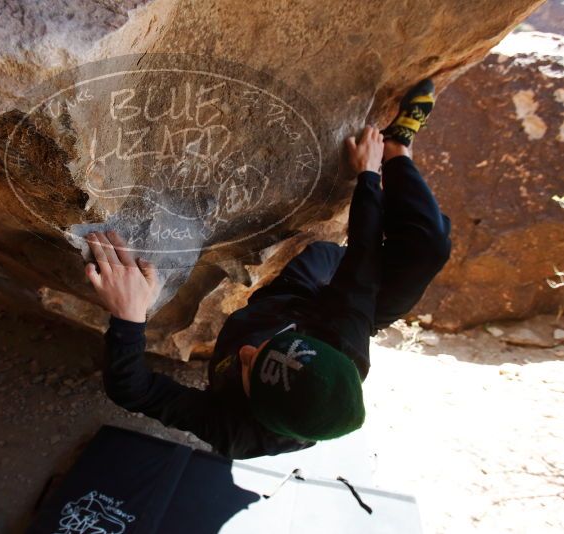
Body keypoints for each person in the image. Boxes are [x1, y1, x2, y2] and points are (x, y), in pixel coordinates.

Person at [83, 79, 451, 459]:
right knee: (428, 246)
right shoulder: (346, 342)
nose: (244, 350)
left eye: (249, 366)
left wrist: (129, 316)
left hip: (288, 308)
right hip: (314, 302)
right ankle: (397, 149)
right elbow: (363, 256)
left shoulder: (237, 433)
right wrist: (369, 175)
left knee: (360, 268)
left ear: (257, 409)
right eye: (263, 349)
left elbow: (133, 389)